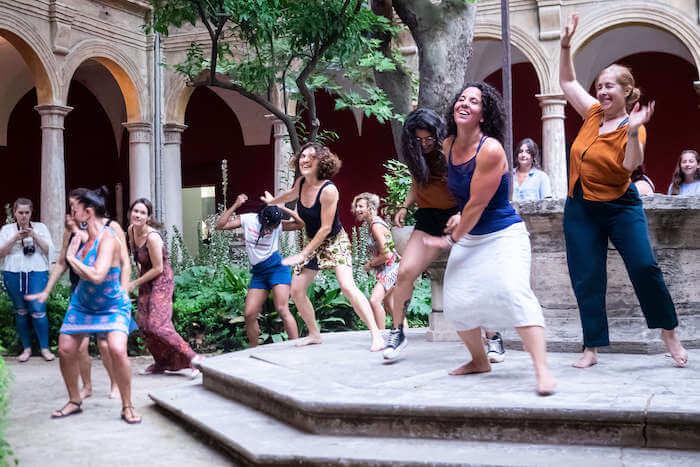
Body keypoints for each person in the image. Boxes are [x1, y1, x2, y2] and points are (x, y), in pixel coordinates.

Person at [559, 14, 686, 368]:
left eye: (609, 86)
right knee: (587, 275)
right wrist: (566, 45)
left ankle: (669, 333)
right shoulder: (592, 114)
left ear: (626, 92)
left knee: (645, 267)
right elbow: (567, 80)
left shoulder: (633, 127)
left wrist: (632, 130)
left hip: (620, 206)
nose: (601, 91)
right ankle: (592, 347)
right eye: (599, 85)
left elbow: (631, 166)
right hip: (581, 207)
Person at [423, 82, 556, 396]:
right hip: (471, 233)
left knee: (513, 292)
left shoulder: (491, 149)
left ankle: (542, 370)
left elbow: (478, 203)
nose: (465, 103)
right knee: (455, 300)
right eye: (461, 98)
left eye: (474, 101)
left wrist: (450, 237)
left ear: (484, 114)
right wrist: (452, 214)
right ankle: (479, 360)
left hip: (502, 233)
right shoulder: (448, 145)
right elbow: (457, 193)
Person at [383, 108, 506, 364]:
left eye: (429, 139)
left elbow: (476, 184)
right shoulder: (415, 154)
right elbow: (418, 183)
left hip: (458, 215)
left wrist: (465, 214)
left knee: (475, 277)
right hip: (428, 218)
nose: (425, 144)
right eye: (419, 140)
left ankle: (493, 336)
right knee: (405, 272)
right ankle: (397, 332)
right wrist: (405, 206)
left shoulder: (451, 149)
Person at [261, 142, 384, 351]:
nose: (305, 160)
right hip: (314, 242)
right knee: (297, 289)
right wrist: (273, 202)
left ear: (322, 162)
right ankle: (314, 334)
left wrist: (303, 254)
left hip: (335, 241)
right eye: (303, 156)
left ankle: (377, 335)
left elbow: (326, 228)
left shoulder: (329, 190)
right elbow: (290, 194)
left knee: (347, 286)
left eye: (311, 157)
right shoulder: (301, 183)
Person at [26, 188, 123, 399]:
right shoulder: (70, 231)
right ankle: (87, 386)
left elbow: (119, 262)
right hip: (79, 292)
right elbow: (62, 262)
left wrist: (123, 288)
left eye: (74, 207)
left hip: (104, 294)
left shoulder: (108, 230)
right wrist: (46, 290)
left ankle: (115, 383)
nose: (71, 212)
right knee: (79, 347)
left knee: (105, 345)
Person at [54, 187, 140, 423]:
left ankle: (127, 405)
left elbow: (97, 275)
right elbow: (68, 265)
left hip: (111, 304)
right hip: (83, 303)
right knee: (66, 348)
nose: (70, 215)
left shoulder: (108, 239)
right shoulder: (82, 237)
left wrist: (72, 258)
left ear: (88, 212)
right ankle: (74, 400)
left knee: (117, 349)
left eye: (74, 210)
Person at [127, 198, 203, 377]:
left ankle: (194, 359)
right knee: (144, 324)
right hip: (146, 278)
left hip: (162, 280)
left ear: (148, 217)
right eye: (135, 211)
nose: (138, 215)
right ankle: (162, 362)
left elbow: (158, 268)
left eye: (143, 213)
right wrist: (138, 280)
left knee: (158, 325)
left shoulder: (153, 238)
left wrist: (134, 283)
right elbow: (138, 258)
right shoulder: (131, 231)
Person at [215, 193, 302, 347]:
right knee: (249, 314)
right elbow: (220, 225)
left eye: (273, 226)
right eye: (269, 226)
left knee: (282, 309)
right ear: (261, 218)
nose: (271, 229)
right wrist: (236, 204)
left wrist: (283, 209)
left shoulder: (277, 223)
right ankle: (254, 349)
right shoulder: (249, 219)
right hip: (259, 273)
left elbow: (300, 224)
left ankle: (296, 350)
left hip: (277, 269)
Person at [0, 198, 54, 362]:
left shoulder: (41, 227)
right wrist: (14, 238)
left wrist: (34, 235)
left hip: (36, 270)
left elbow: (49, 251)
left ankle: (45, 348)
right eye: (20, 212)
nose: (23, 216)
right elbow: (1, 253)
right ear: (15, 213)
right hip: (13, 271)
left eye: (27, 212)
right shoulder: (7, 229)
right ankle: (26, 349)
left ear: (31, 213)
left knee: (38, 309)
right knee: (20, 310)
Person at [351, 192, 401, 332]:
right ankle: (405, 333)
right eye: (356, 206)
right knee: (389, 303)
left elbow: (387, 254)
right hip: (392, 267)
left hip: (392, 268)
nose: (357, 209)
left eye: (361, 206)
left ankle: (381, 335)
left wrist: (370, 264)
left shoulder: (375, 226)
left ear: (371, 208)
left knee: (374, 300)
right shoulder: (373, 224)